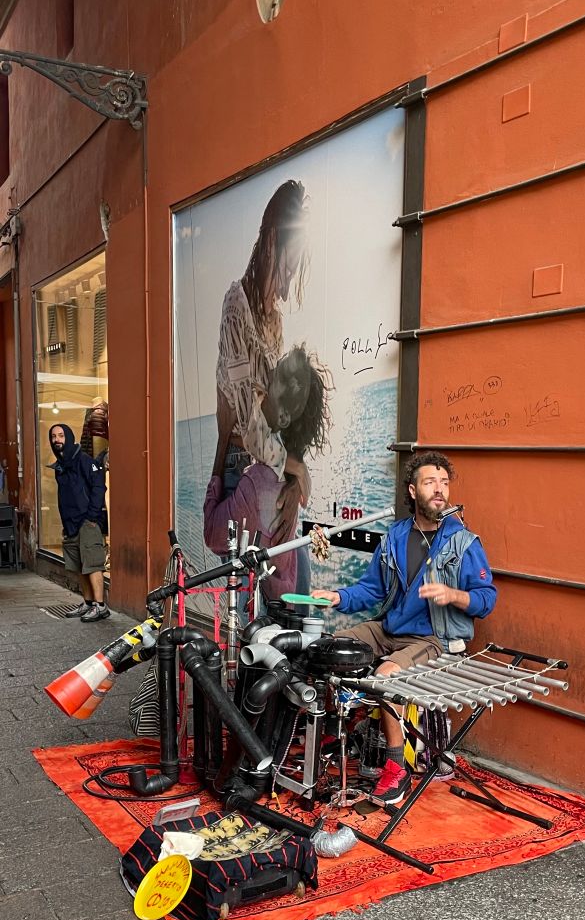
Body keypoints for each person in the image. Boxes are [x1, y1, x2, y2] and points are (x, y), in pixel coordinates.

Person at [312, 451, 497, 805]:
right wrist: (336, 597)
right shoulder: (395, 536)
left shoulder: (463, 543)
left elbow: (486, 599)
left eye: (444, 483)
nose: (439, 490)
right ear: (413, 491)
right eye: (430, 482)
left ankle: (396, 768)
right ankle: (336, 732)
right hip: (389, 628)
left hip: (434, 638)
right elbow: (372, 590)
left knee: (384, 677)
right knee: (324, 649)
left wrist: (453, 594)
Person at [207, 179, 312, 555]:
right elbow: (251, 424)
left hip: (269, 465)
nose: (290, 278)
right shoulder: (236, 303)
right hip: (242, 464)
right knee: (251, 590)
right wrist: (295, 468)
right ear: (271, 243)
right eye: (290, 263)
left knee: (282, 584)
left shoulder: (275, 322)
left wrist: (293, 474)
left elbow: (274, 414)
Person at [204, 345, 333, 600]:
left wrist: (223, 440)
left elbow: (213, 534)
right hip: (285, 592)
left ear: (284, 417)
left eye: (273, 383)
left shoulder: (259, 481)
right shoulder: (295, 477)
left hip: (260, 606)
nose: (267, 378)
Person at [48, 423, 110, 621]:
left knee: (92, 565)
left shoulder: (83, 460)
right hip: (71, 524)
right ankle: (88, 603)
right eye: (53, 436)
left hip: (87, 522)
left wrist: (92, 516)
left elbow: (99, 486)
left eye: (61, 435)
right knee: (79, 566)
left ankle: (101, 607)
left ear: (69, 437)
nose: (57, 440)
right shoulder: (61, 465)